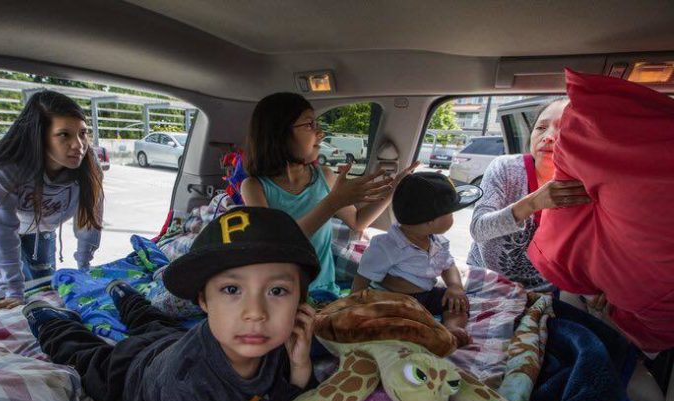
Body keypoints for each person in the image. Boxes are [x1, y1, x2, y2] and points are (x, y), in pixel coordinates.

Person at [22, 207, 329, 401]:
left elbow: (286, 400)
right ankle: (49, 321)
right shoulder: (188, 381)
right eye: (232, 290)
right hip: (133, 371)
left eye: (277, 291)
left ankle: (125, 294)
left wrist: (299, 362)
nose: (255, 313)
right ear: (203, 301)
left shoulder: (270, 343)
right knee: (87, 358)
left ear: (300, 303)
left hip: (172, 340)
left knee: (155, 321)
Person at [240, 92, 416, 294]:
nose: (320, 133)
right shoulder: (254, 187)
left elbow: (358, 221)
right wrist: (333, 202)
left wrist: (393, 189)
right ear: (279, 133)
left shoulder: (324, 175)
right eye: (309, 125)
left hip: (324, 289)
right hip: (281, 294)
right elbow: (278, 243)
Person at [0, 90, 104, 317]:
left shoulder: (89, 167)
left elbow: (90, 218)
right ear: (39, 137)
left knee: (44, 285)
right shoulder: (6, 169)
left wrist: (84, 268)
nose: (78, 145)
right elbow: (1, 232)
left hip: (42, 221)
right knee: (22, 289)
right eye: (64, 135)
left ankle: (5, 281)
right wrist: (12, 292)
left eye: (82, 133)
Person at [467, 98, 592, 291]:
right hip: (484, 283)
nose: (548, 137)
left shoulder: (587, 188)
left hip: (544, 293)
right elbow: (478, 229)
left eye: (564, 129)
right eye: (541, 128)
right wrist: (532, 203)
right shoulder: (506, 168)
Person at [351, 173, 482, 346]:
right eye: (450, 214)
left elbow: (448, 266)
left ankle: (452, 329)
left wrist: (455, 287)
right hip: (395, 300)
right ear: (430, 221)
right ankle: (421, 334)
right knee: (392, 319)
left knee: (457, 303)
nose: (453, 218)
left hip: (426, 296)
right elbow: (363, 275)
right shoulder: (388, 246)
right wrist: (354, 302)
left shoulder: (437, 241)